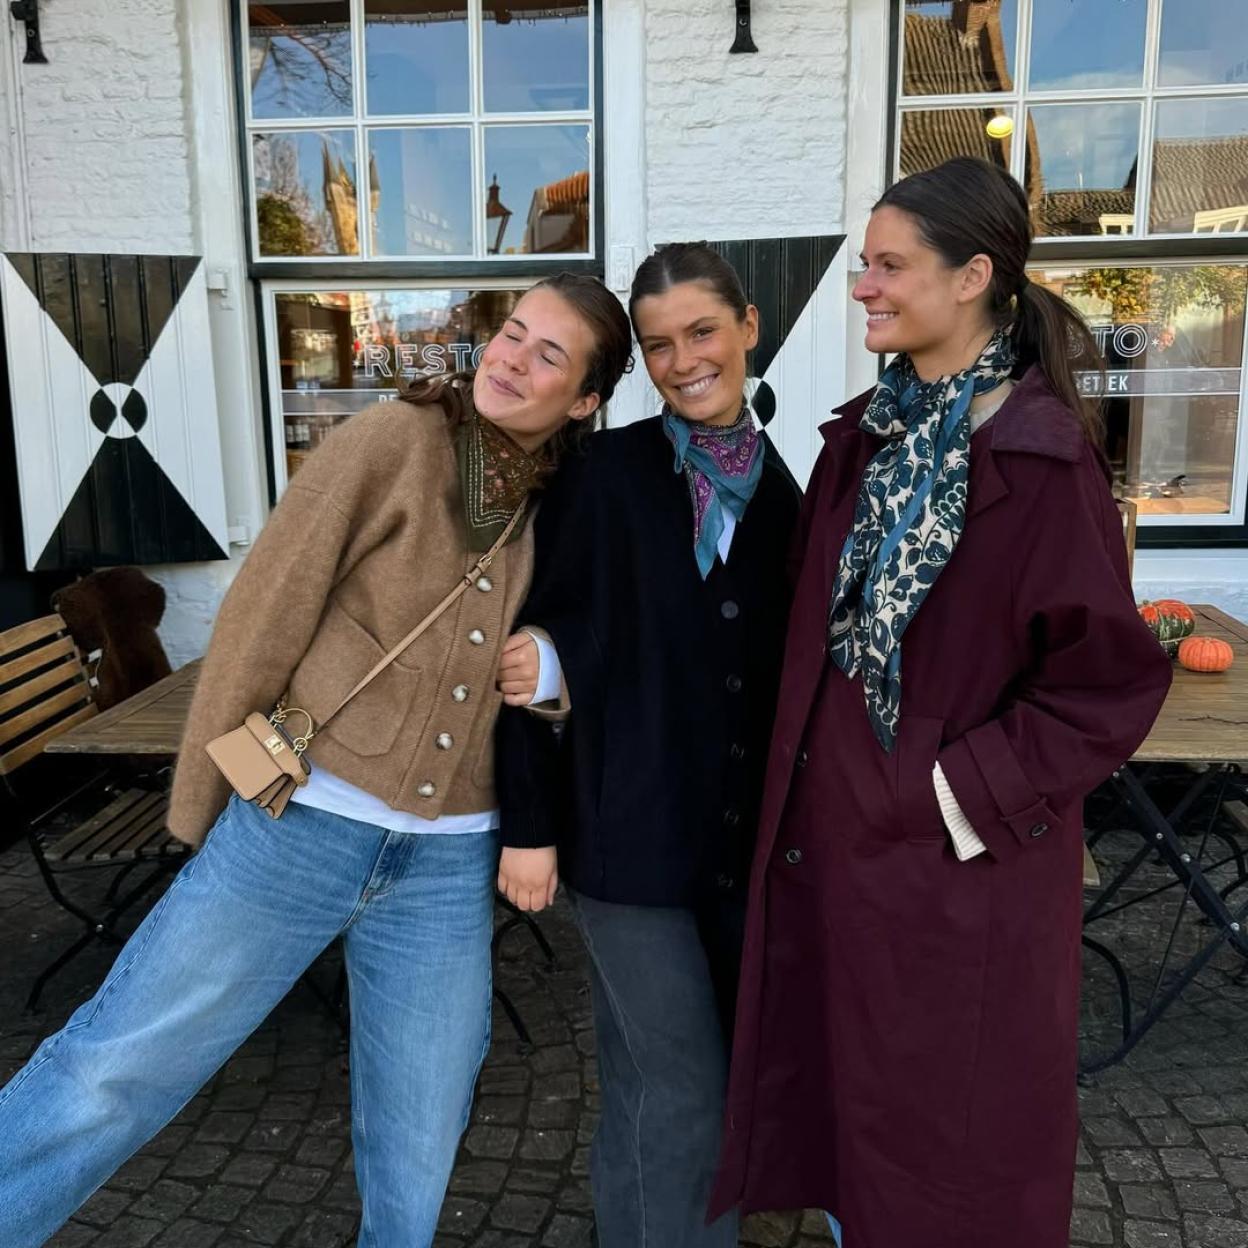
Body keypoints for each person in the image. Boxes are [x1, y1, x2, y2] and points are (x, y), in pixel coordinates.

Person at [0, 275, 633, 1248]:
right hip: (302, 825)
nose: (513, 358)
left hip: (450, 863)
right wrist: (207, 810)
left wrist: (551, 675)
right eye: (511, 334)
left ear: (586, 399)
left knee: (422, 1130)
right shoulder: (395, 441)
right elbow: (266, 610)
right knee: (117, 1067)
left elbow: (592, 640)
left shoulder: (570, 500)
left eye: (551, 354)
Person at [708, 158, 1173, 1248]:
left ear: (973, 277)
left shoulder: (1041, 459)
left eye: (889, 265)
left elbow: (1106, 685)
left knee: (951, 1161)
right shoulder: (860, 440)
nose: (861, 285)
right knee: (855, 1132)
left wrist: (947, 794)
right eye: (863, 262)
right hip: (834, 856)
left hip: (958, 879)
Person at [493, 243, 802, 1248]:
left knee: (660, 1079)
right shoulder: (604, 476)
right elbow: (534, 647)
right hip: (624, 844)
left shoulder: (793, 497)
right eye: (659, 345)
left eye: (702, 332)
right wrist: (529, 827)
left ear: (749, 327)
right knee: (682, 1090)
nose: (682, 360)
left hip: (741, 846)